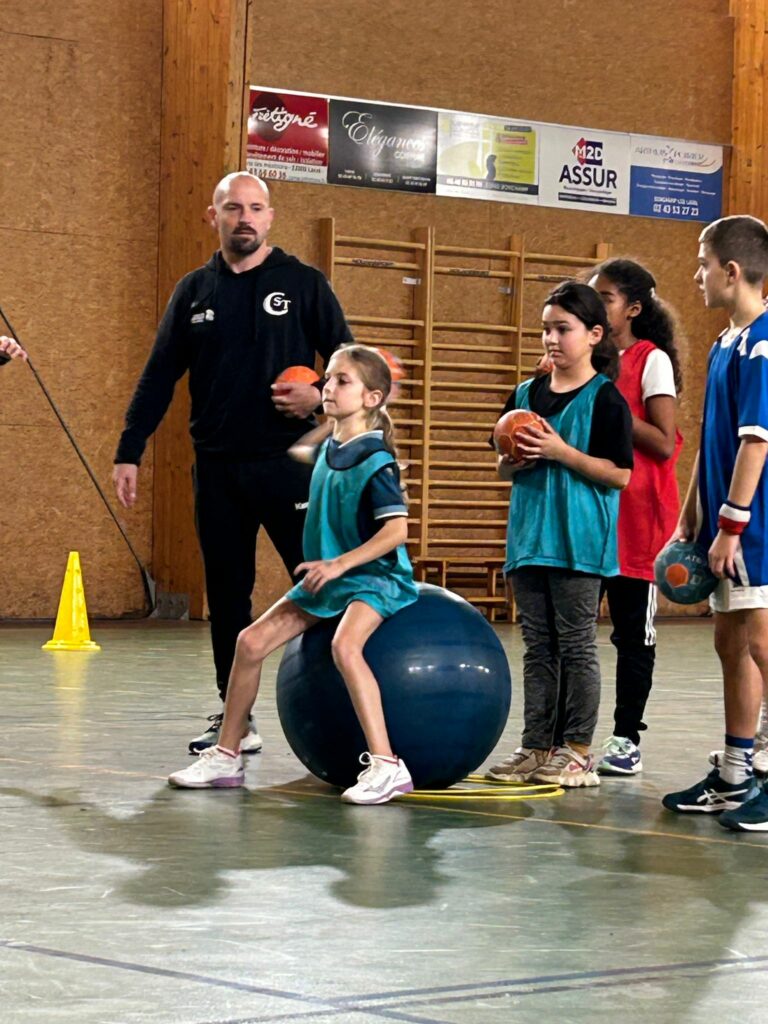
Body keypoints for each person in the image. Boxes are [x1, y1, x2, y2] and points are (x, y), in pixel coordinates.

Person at [113, 172, 353, 755]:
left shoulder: (303, 283)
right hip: (218, 470)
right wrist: (129, 449)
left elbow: (354, 364)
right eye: (233, 208)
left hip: (291, 464)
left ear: (270, 217)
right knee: (226, 595)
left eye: (255, 208)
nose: (245, 218)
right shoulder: (194, 291)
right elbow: (158, 375)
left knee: (319, 584)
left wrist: (318, 390)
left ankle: (342, 704)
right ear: (213, 216)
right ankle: (235, 719)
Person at [167, 344, 419, 804]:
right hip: (330, 579)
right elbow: (305, 448)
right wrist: (336, 420)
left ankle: (387, 766)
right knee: (249, 642)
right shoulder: (333, 444)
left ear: (372, 397)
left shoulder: (376, 460)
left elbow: (397, 531)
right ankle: (227, 754)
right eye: (328, 379)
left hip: (376, 578)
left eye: (343, 381)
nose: (328, 386)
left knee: (346, 646)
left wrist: (339, 562)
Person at [486, 281, 633, 788]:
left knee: (576, 647)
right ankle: (535, 747)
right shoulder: (525, 395)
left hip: (579, 543)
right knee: (537, 649)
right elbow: (502, 468)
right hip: (529, 539)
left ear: (593, 335)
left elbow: (620, 474)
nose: (551, 338)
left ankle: (576, 750)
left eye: (563, 329)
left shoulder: (605, 399)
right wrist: (512, 459)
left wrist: (560, 451)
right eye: (546, 328)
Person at [662, 215, 768, 831]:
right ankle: (734, 773)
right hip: (725, 523)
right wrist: (690, 519)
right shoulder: (725, 342)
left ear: (731, 271)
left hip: (756, 526)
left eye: (702, 263)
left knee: (761, 642)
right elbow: (715, 443)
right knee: (730, 641)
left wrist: (731, 527)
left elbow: (757, 442)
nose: (696, 274)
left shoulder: (764, 343)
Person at [588, 259, 683, 775]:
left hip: (638, 517)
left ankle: (626, 739)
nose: (594, 304)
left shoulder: (650, 361)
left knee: (632, 635)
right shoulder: (580, 356)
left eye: (604, 297)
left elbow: (665, 444)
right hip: (588, 514)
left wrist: (609, 404)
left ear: (633, 308)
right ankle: (567, 740)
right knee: (572, 634)